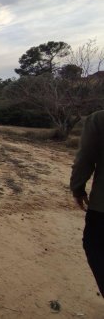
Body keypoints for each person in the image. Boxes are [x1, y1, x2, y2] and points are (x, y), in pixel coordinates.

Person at [71, 110, 104, 296]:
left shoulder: (99, 119)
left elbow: (85, 157)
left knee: (95, 245)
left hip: (101, 206)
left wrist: (77, 188)